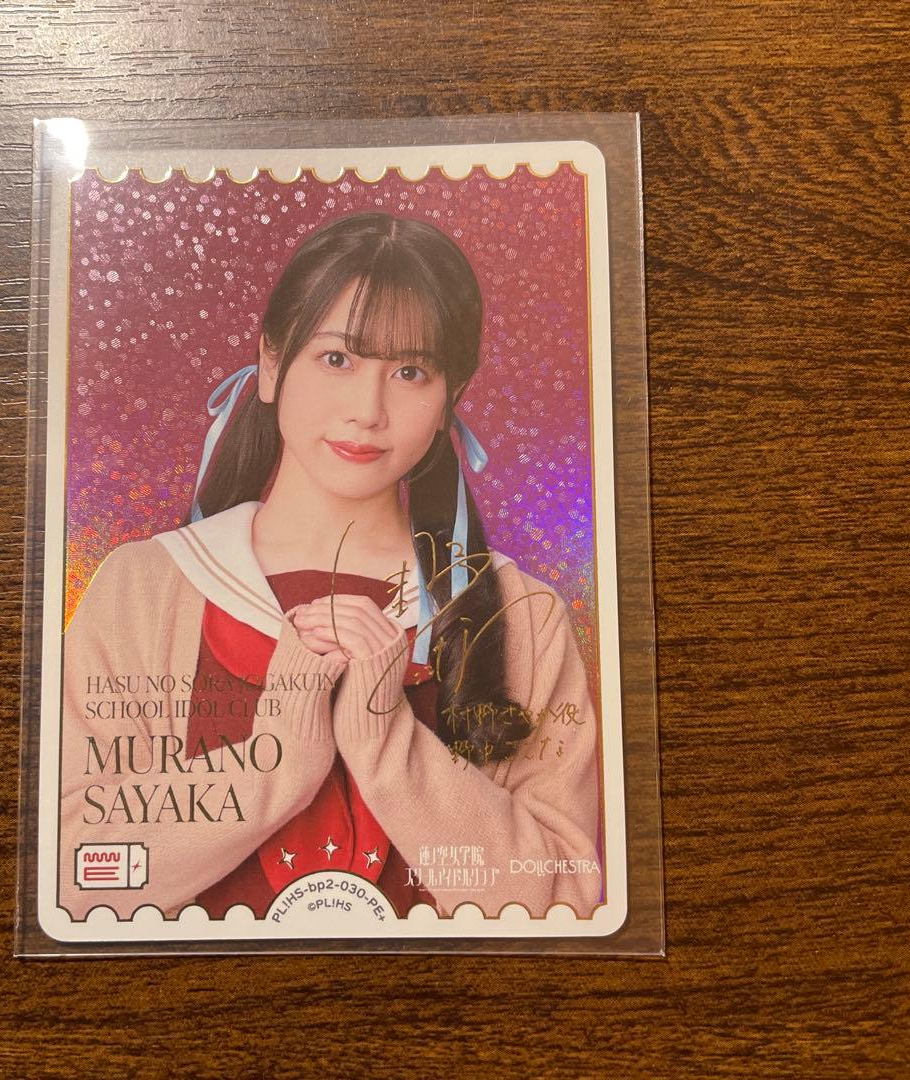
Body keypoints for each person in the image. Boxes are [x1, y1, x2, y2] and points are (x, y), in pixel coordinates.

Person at [58, 212, 602, 922]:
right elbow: (73, 876)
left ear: (450, 399)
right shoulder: (147, 587)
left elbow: (564, 900)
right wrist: (277, 762)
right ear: (272, 363)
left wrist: (388, 742)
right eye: (337, 359)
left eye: (410, 372)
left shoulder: (517, 612)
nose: (367, 411)